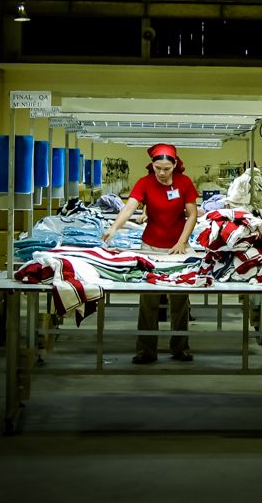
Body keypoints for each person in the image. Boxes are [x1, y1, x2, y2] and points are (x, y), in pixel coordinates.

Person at [102, 143, 199, 364]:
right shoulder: (144, 183)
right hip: (151, 247)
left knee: (180, 300)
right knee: (149, 300)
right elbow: (129, 207)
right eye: (158, 168)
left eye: (167, 169)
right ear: (152, 165)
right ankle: (146, 351)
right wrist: (114, 227)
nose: (162, 173)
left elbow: (192, 214)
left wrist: (182, 242)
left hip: (178, 248)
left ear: (175, 164)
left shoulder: (184, 183)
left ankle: (180, 348)